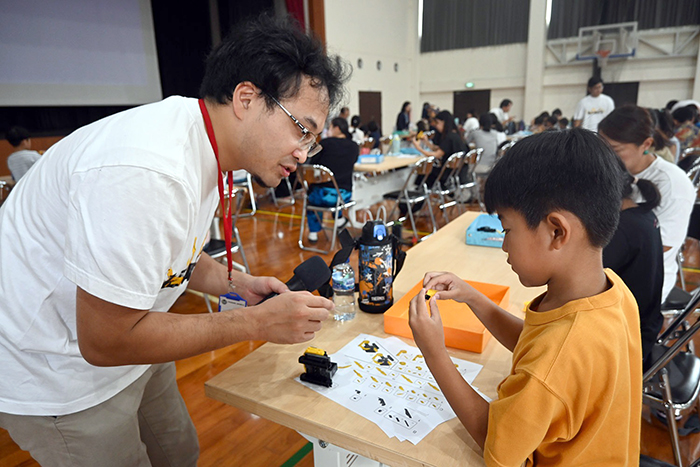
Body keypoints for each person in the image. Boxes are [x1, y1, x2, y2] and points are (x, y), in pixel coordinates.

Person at [0, 15, 347, 467]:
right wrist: (256, 324)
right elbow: (104, 341)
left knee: (179, 451)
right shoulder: (148, 171)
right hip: (58, 371)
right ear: (246, 98)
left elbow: (174, 255)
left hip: (134, 333)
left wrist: (235, 284)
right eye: (301, 129)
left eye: (313, 140)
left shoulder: (200, 139)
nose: (303, 152)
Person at [408, 129, 641, 465]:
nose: (503, 245)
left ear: (556, 231)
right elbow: (536, 346)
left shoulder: (559, 357)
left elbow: (497, 447)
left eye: (507, 229)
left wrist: (435, 354)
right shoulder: (612, 292)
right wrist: (473, 296)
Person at [599, 105, 695, 302]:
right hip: (605, 265)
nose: (607, 157)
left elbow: (662, 246)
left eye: (615, 150)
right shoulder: (608, 171)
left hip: (643, 280)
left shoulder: (672, 183)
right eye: (603, 147)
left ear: (646, 144)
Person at [603, 157, 663, 370]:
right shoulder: (643, 214)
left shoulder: (622, 230)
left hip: (627, 343)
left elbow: (585, 280)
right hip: (645, 326)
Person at [305, 117, 359, 243]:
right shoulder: (354, 146)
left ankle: (313, 233)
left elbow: (313, 163)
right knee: (336, 192)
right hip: (343, 195)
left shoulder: (325, 144)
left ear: (337, 128)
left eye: (330, 127)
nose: (328, 130)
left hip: (321, 195)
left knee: (313, 198)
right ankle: (339, 219)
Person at [412, 110, 466, 188]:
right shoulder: (455, 135)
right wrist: (427, 142)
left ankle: (420, 195)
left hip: (446, 174)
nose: (436, 126)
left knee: (423, 172)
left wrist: (418, 148)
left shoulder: (449, 137)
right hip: (455, 173)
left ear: (443, 122)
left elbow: (436, 155)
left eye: (437, 123)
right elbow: (439, 149)